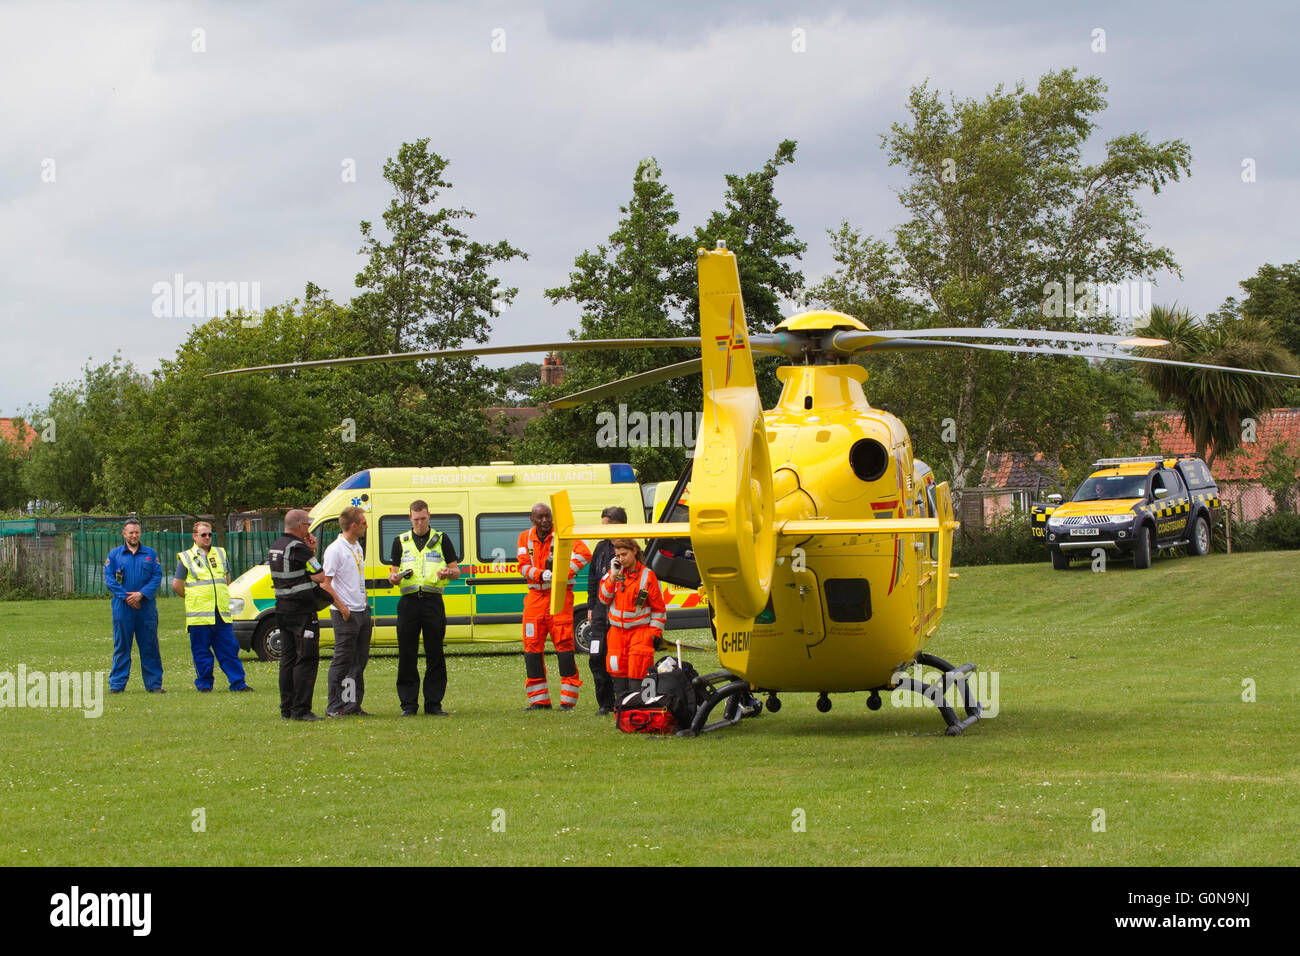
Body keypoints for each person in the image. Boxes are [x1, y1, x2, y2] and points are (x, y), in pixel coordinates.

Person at [269, 509, 343, 721]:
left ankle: (287, 708)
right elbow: (320, 576)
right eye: (307, 524)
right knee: (306, 659)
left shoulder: (276, 546)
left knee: (288, 659)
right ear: (301, 525)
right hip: (302, 612)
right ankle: (301, 709)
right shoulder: (299, 548)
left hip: (282, 610)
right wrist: (312, 551)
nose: (309, 528)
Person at [388, 500, 460, 717]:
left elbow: (456, 571)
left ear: (429, 516)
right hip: (409, 603)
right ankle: (408, 705)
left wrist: (449, 573)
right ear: (409, 518)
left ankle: (433, 704)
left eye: (423, 518)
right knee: (407, 654)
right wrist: (394, 577)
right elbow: (392, 574)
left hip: (432, 601)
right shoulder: (400, 541)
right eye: (415, 519)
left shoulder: (442, 539)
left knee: (435, 653)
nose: (419, 523)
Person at [517, 503, 591, 710]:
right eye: (540, 517)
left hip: (559, 596)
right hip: (534, 598)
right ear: (532, 519)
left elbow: (585, 554)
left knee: (565, 647)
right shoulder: (524, 537)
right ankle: (539, 701)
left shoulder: (563, 534)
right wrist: (540, 574)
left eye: (547, 516)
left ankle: (568, 702)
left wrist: (561, 572)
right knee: (531, 648)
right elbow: (522, 565)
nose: (544, 521)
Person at [171, 521, 251, 693]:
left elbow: (227, 579)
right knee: (201, 653)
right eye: (203, 535)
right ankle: (205, 685)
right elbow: (177, 585)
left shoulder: (220, 553)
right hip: (199, 616)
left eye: (209, 534)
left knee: (229, 650)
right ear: (194, 537)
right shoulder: (186, 558)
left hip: (221, 614)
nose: (207, 537)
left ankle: (238, 683)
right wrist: (193, 596)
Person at [598, 537, 666, 707]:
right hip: (616, 634)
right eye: (618, 555)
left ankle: (639, 709)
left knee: (639, 673)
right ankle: (622, 710)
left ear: (634, 551)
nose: (621, 559)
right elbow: (603, 598)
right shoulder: (613, 574)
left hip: (640, 633)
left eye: (624, 554)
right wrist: (613, 576)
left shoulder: (647, 576)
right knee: (617, 671)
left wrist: (654, 634)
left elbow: (659, 609)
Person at [104, 519, 164, 693]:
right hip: (122, 608)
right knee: (122, 646)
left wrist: (141, 595)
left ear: (140, 533)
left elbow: (156, 578)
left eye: (136, 532)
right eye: (130, 532)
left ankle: (154, 685)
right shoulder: (114, 555)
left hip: (146, 607)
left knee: (150, 645)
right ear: (124, 534)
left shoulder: (150, 554)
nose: (134, 535)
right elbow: (110, 580)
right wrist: (127, 598)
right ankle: (117, 685)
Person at [324, 506, 372, 717]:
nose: (366, 526)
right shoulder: (335, 550)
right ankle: (334, 706)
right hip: (345, 612)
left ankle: (352, 705)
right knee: (342, 660)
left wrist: (365, 602)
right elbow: (326, 584)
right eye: (363, 522)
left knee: (358, 661)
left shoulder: (357, 547)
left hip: (361, 610)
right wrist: (343, 608)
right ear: (354, 525)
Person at [586, 505, 627, 715]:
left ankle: (624, 701)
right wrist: (591, 606)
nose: (603, 529)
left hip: (621, 611)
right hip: (600, 610)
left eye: (607, 525)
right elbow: (593, 578)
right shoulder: (601, 549)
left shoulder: (630, 549)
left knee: (619, 657)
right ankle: (605, 703)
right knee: (596, 656)